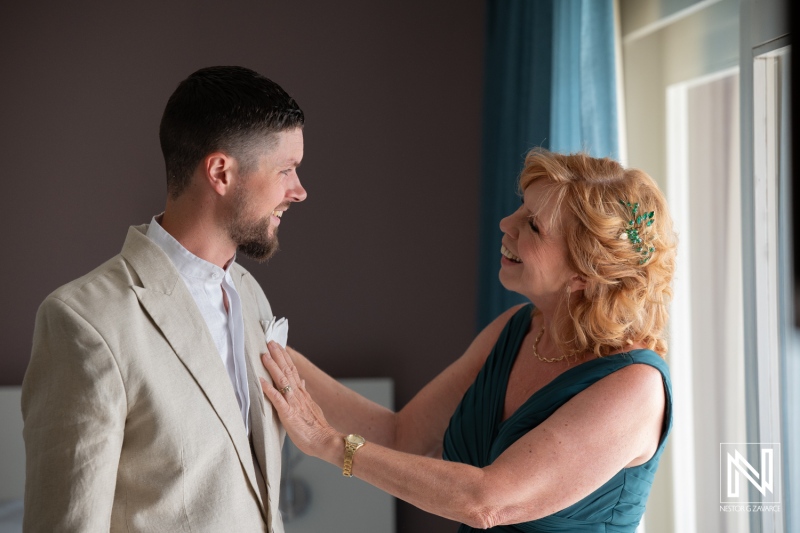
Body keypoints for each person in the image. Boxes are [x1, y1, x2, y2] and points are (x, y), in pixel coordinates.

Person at [259, 148, 676, 532]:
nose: (506, 224)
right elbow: (401, 435)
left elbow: (487, 501)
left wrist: (329, 445)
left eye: (533, 225)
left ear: (582, 274)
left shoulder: (636, 388)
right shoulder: (517, 329)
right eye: (521, 208)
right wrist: (262, 345)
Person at [21, 66, 306, 533]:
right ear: (220, 172)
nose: (299, 190)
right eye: (286, 170)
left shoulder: (250, 295)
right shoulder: (84, 321)